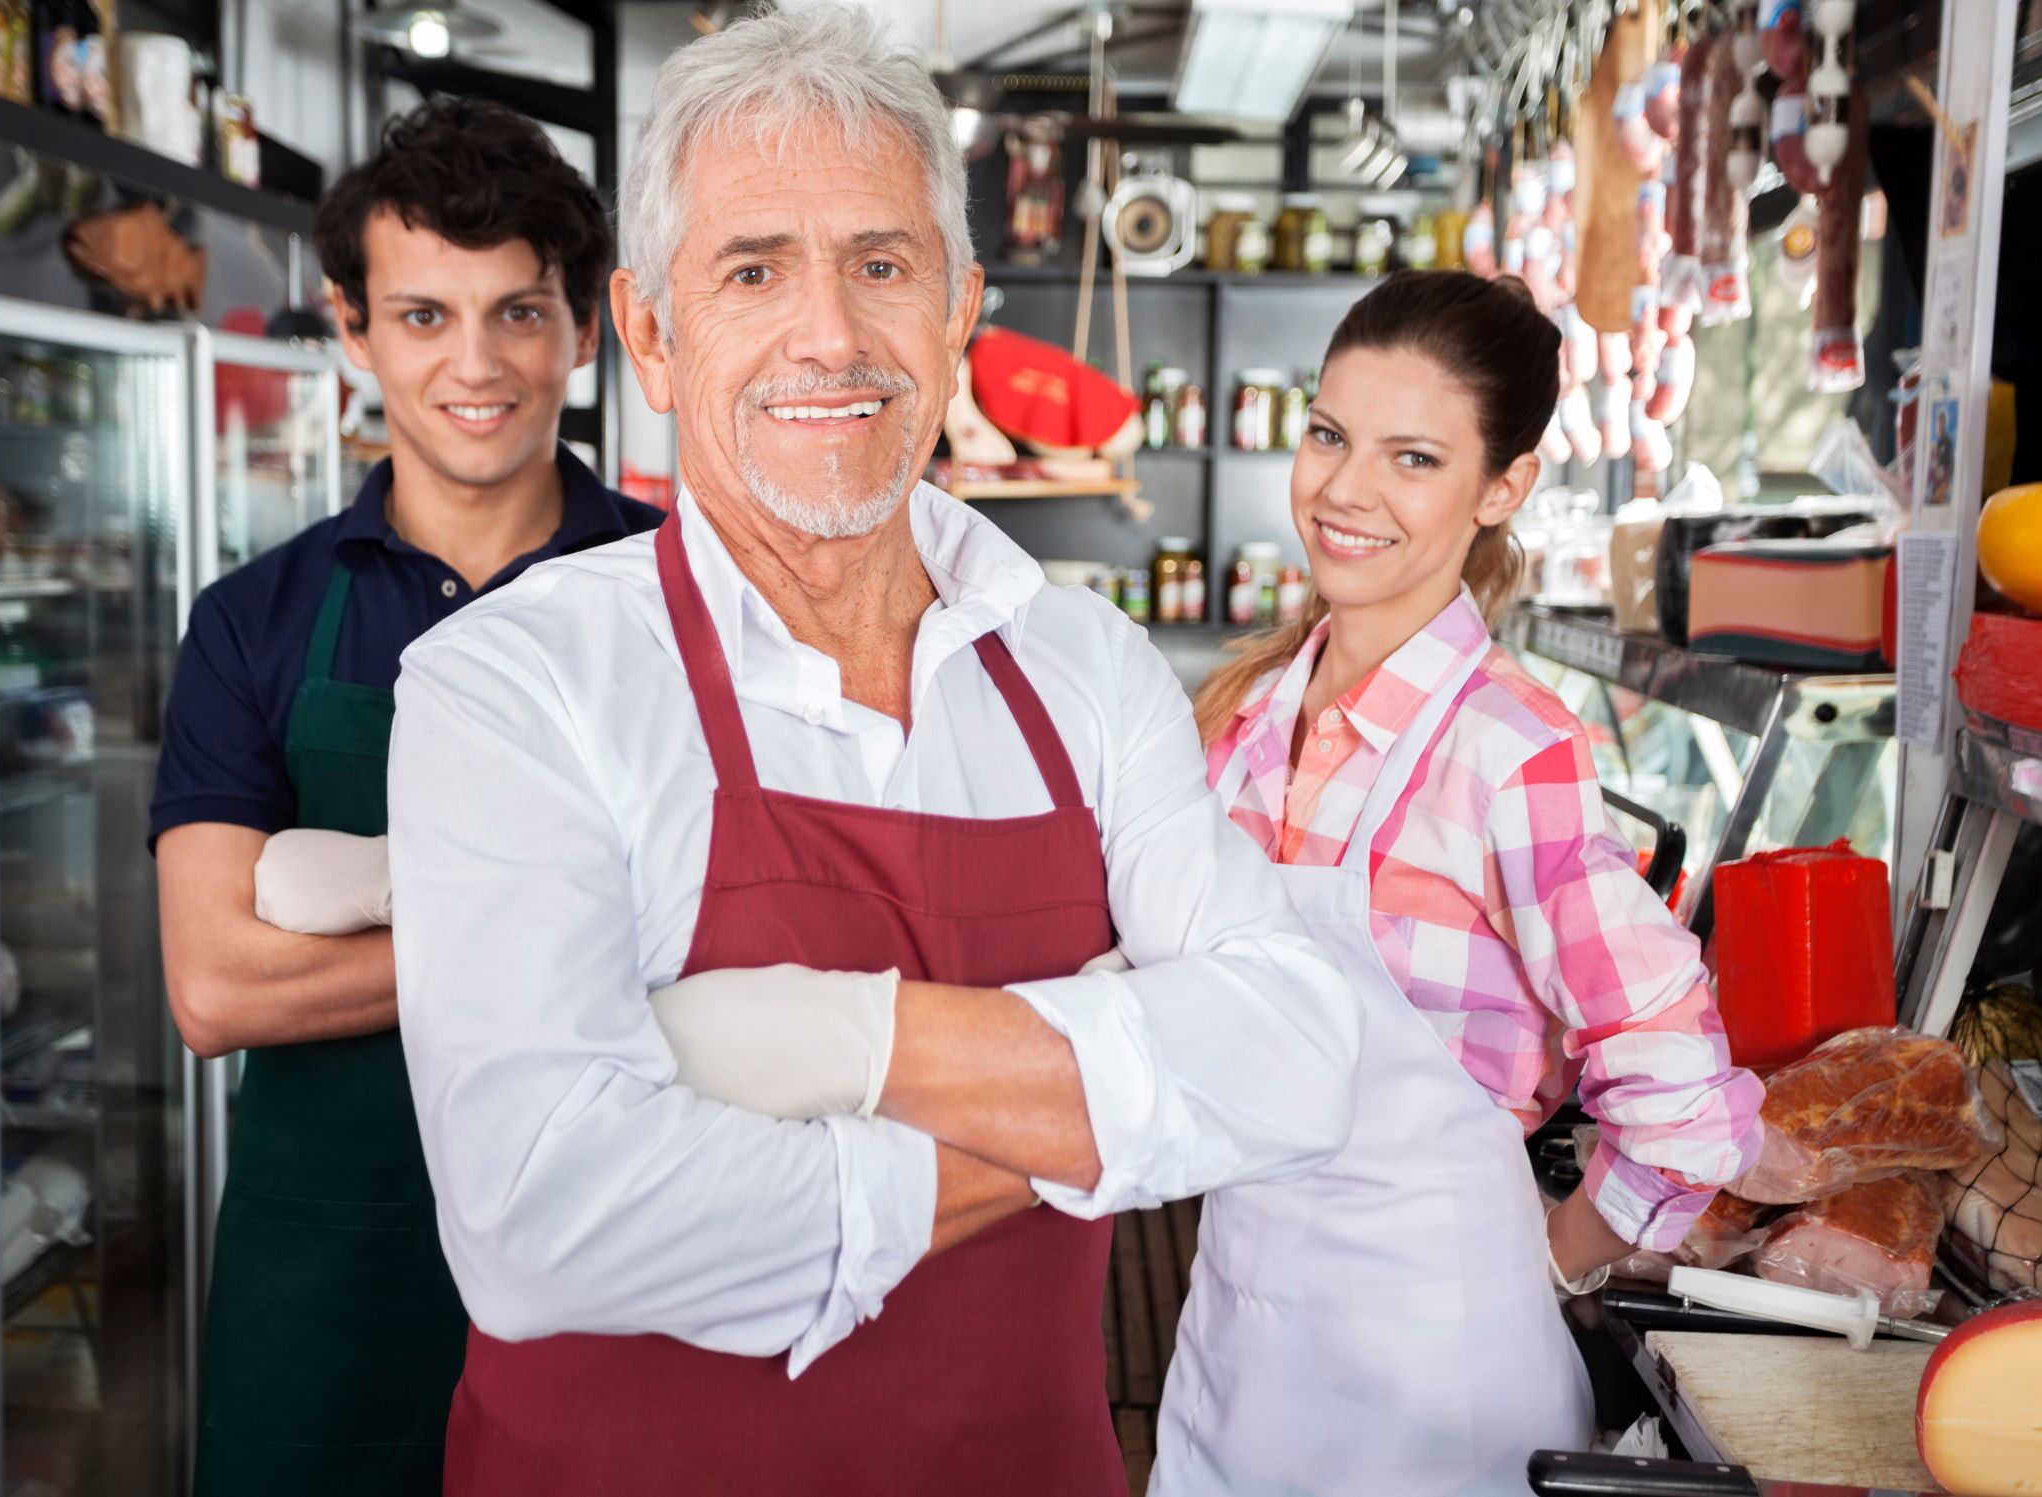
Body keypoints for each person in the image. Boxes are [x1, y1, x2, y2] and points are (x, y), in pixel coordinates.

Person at [370, 8, 1359, 1495]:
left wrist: (830, 1045)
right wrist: (1090, 1100)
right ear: (649, 329)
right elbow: (541, 1225)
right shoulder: (512, 683)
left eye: (881, 266)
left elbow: (1292, 1059)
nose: (829, 334)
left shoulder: (1083, 665)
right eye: (754, 269)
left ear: (959, 307)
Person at [1152, 272, 1768, 1497]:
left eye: (1412, 458)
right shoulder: (1242, 720)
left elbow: (1682, 1100)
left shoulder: (1507, 747)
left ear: (1501, 488)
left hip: (1434, 1394)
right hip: (1235, 1348)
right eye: (1327, 435)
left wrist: (1550, 1262)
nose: (1343, 491)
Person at [148, 99, 664, 1497]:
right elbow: (217, 986)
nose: (475, 363)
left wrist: (361, 914)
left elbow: (738, 922)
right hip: (327, 1281)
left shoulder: (680, 600)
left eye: (518, 312)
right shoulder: (253, 621)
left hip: (615, 1257)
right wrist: (569, 925)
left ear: (583, 326)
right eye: (424, 316)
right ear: (354, 329)